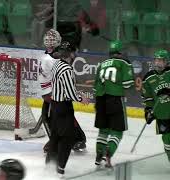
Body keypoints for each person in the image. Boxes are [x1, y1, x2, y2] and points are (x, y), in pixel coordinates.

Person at [39, 29, 87, 153]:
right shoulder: (50, 56)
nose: (49, 42)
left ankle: (63, 141)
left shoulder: (53, 59)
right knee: (55, 116)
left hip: (54, 94)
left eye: (52, 39)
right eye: (48, 39)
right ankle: (77, 139)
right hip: (50, 93)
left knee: (50, 117)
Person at [46, 41, 90, 176]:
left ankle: (49, 165)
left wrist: (77, 93)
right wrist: (82, 99)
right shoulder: (67, 69)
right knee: (68, 137)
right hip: (64, 107)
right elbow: (70, 93)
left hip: (55, 105)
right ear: (70, 54)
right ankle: (60, 167)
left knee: (55, 136)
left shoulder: (56, 65)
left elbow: (64, 88)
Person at [93, 40, 134, 168]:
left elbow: (95, 87)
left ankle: (98, 156)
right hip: (115, 99)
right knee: (117, 132)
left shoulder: (102, 64)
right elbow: (128, 84)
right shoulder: (124, 63)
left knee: (103, 131)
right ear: (120, 52)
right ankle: (108, 153)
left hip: (100, 100)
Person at [141, 49, 170, 162]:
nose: (158, 63)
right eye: (156, 60)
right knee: (167, 138)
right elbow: (147, 97)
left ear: (166, 61)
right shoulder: (148, 78)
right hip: (162, 113)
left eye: (161, 60)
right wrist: (148, 110)